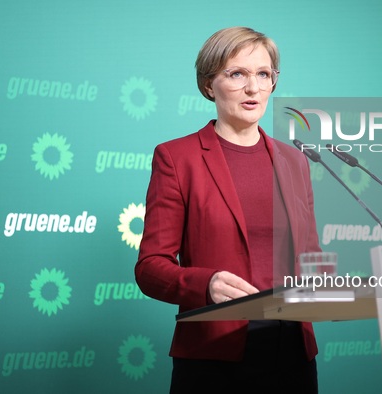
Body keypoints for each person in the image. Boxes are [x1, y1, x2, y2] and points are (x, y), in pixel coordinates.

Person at [135, 26, 322, 393]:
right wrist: (205, 284)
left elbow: (310, 255)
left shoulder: (295, 161)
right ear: (209, 85)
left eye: (263, 74)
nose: (253, 88)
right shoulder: (177, 158)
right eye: (237, 74)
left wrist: (326, 291)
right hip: (214, 359)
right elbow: (149, 268)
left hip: (294, 355)